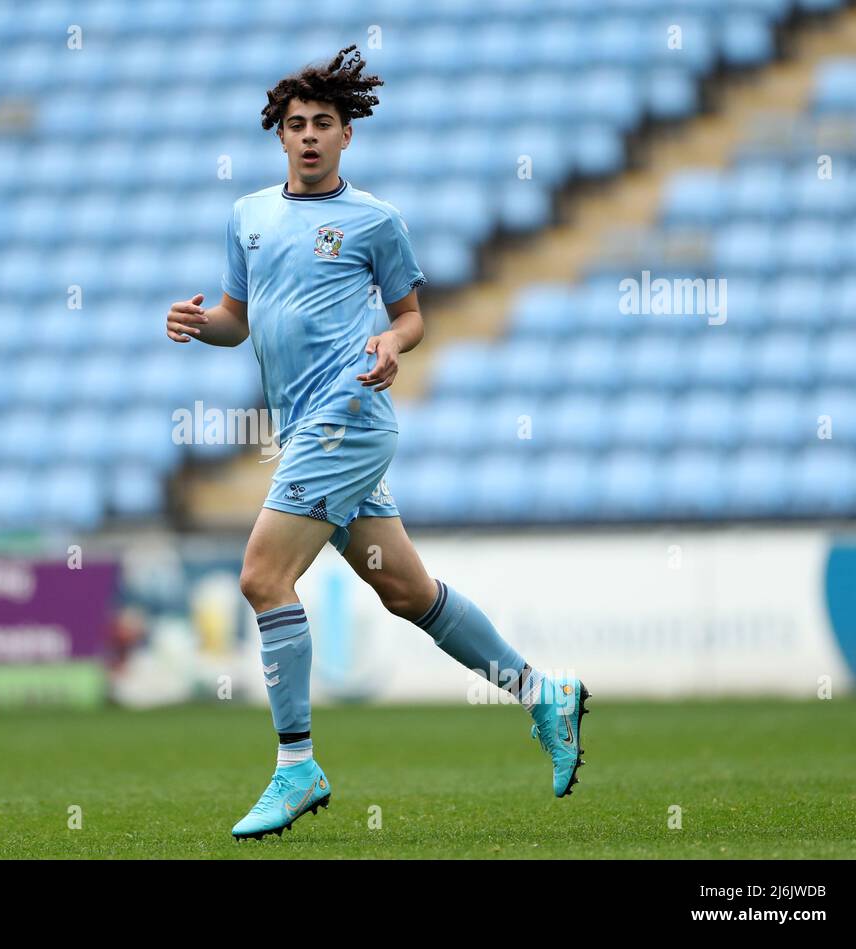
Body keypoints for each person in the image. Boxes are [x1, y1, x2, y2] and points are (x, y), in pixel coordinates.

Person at [164, 45, 588, 841]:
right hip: (304, 428)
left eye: (325, 123)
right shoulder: (248, 216)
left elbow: (412, 315)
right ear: (279, 136)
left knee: (262, 576)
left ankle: (297, 766)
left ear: (347, 134)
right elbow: (238, 319)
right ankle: (543, 693)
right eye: (297, 125)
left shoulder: (374, 220)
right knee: (407, 592)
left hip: (349, 417)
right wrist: (200, 325)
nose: (310, 136)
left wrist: (394, 343)